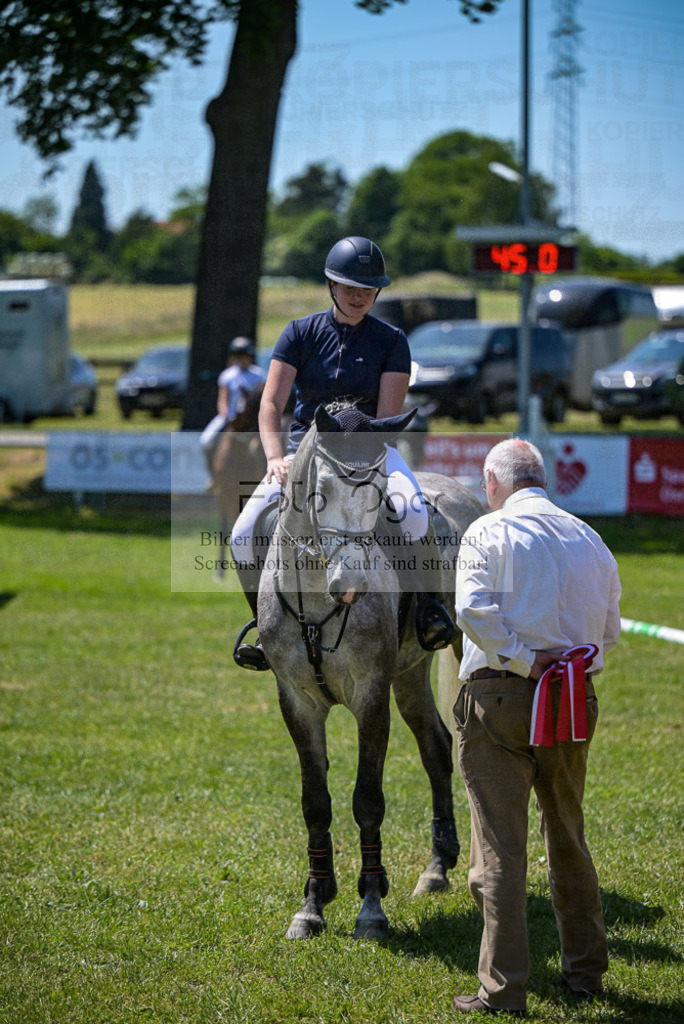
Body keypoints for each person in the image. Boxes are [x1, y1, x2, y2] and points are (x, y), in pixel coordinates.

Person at [451, 438, 621, 1018]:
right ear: (541, 479)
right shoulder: (590, 539)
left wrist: (525, 657)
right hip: (574, 695)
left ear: (494, 482)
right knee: (568, 832)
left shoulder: (486, 531)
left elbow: (472, 610)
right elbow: (610, 628)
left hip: (502, 694)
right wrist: (558, 656)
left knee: (500, 847)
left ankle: (502, 988)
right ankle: (586, 971)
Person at [230, 235, 456, 670]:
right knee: (242, 535)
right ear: (332, 285)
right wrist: (275, 458)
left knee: (413, 513)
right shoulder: (299, 332)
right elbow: (271, 405)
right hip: (300, 451)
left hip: (368, 448)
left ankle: (429, 609)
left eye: (367, 290)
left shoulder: (392, 340)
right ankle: (264, 626)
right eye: (349, 288)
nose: (358, 297)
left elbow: (387, 417)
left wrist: (360, 458)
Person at [199, 336, 266, 473]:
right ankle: (213, 474)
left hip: (252, 421)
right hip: (231, 418)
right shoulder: (227, 375)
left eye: (245, 356)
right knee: (205, 440)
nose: (243, 359)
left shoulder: (258, 375)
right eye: (239, 356)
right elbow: (223, 399)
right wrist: (227, 416)